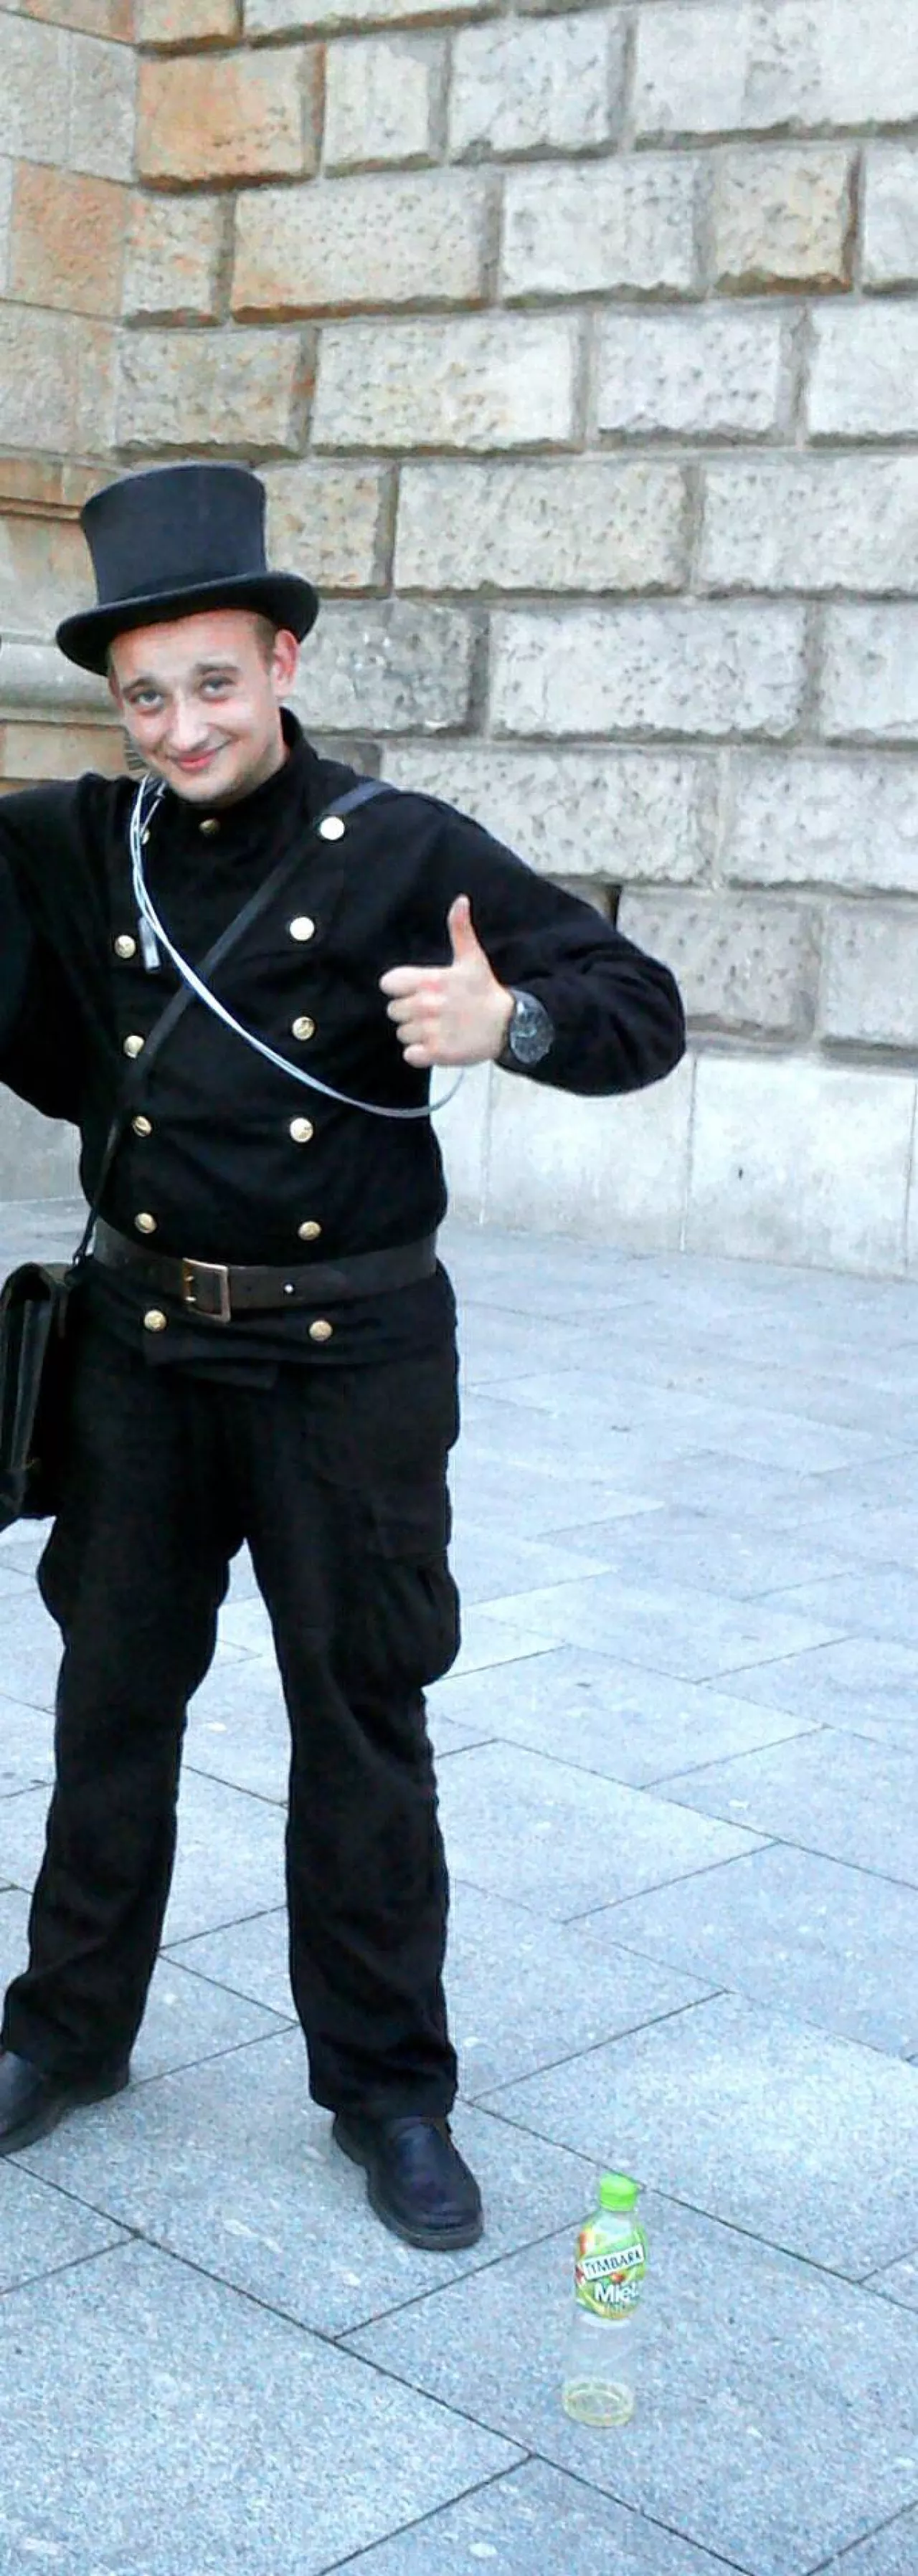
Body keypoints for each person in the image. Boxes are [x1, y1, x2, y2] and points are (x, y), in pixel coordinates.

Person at [0, 462, 685, 2251]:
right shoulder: (82, 844)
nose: (182, 727)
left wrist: (509, 1019)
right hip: (143, 1349)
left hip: (348, 1361)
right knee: (109, 1703)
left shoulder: (404, 847)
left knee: (360, 1717)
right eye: (146, 696)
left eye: (214, 683)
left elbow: (642, 1008)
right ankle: (62, 2030)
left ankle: (387, 2087)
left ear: (284, 663)